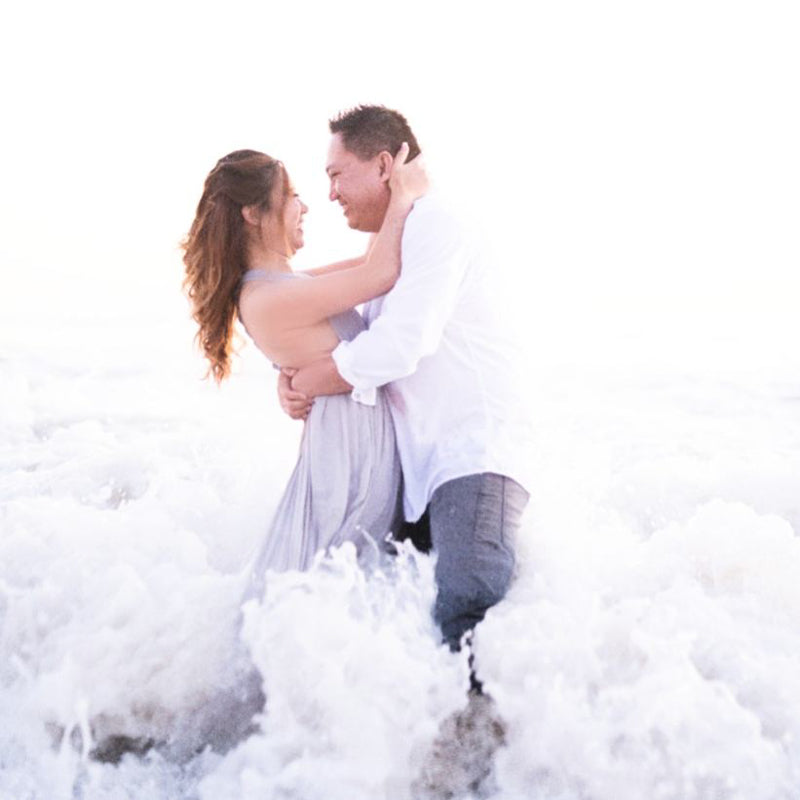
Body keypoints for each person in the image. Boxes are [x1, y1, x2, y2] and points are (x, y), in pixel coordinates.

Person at [280, 106, 532, 657]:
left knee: (467, 616)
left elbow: (402, 342)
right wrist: (293, 375)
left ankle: (488, 743)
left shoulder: (438, 225)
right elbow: (342, 326)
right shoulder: (394, 248)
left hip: (471, 461)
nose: (330, 193)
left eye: (336, 173)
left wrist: (322, 377)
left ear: (385, 164)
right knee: (388, 624)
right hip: (414, 479)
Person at [182, 145, 428, 597]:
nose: (305, 206)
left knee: (344, 591)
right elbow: (380, 274)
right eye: (292, 195)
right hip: (345, 466)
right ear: (255, 213)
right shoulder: (265, 297)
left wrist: (390, 185)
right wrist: (404, 193)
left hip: (354, 454)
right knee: (327, 590)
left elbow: (368, 262)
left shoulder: (288, 285)